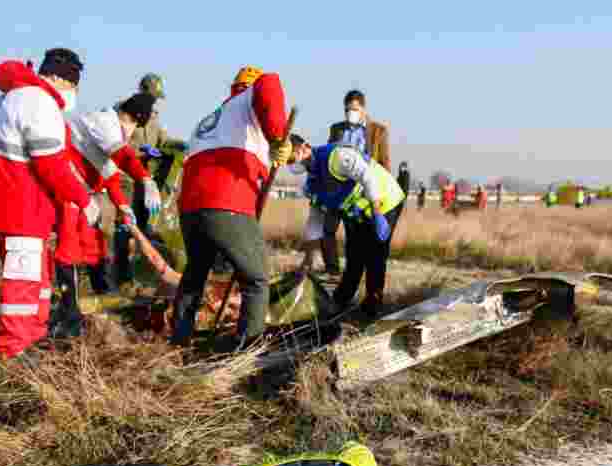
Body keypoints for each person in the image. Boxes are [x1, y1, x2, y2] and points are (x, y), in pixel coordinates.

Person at [0, 48, 95, 362]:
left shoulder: (15, 96)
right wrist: (83, 198)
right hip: (19, 204)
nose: (74, 93)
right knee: (23, 279)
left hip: (17, 203)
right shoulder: (38, 101)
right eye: (73, 85)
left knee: (37, 275)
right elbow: (50, 164)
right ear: (59, 78)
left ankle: (34, 333)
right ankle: (14, 349)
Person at [169, 65, 290, 352]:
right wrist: (276, 137)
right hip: (226, 204)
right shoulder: (253, 95)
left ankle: (179, 341)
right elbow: (269, 83)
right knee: (257, 279)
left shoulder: (211, 118)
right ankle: (247, 351)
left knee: (195, 275)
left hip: (190, 209)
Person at [48, 94, 160, 338]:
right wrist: (145, 178)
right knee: (69, 247)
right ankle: (70, 310)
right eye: (135, 126)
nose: (132, 134)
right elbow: (122, 156)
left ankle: (103, 297)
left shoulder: (115, 133)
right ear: (133, 119)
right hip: (68, 185)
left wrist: (123, 206)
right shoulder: (105, 123)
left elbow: (110, 176)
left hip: (85, 193)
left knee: (94, 245)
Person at [288, 134, 405, 319]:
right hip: (357, 213)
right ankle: (341, 301)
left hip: (384, 200)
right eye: (288, 161)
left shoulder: (337, 157)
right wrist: (308, 259)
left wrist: (377, 213)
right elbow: (315, 220)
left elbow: (367, 177)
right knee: (354, 255)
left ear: (305, 147)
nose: (292, 164)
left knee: (375, 254)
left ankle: (372, 306)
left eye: (292, 158)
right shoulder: (312, 184)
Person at [112, 73, 178, 287]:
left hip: (145, 182)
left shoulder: (155, 117)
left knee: (144, 228)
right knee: (125, 227)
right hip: (125, 179)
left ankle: (144, 275)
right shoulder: (123, 110)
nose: (155, 100)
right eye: (152, 95)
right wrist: (141, 150)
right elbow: (115, 144)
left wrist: (174, 146)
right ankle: (121, 277)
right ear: (142, 90)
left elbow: (163, 140)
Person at [317, 90, 390, 275]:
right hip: (337, 187)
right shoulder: (336, 129)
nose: (351, 113)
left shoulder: (378, 131)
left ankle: (353, 272)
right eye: (347, 109)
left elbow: (384, 163)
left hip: (361, 191)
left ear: (363, 109)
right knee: (327, 230)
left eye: (355, 109)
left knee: (355, 237)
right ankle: (332, 270)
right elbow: (327, 155)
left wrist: (380, 198)